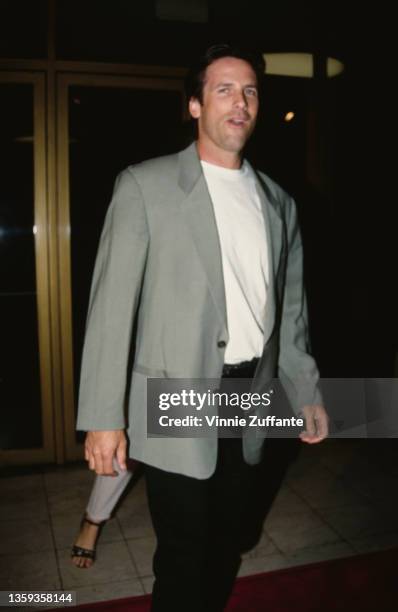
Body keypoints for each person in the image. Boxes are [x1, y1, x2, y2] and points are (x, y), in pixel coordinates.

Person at [76, 43, 328, 611]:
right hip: (177, 394)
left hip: (251, 396)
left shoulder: (279, 202)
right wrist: (102, 417)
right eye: (223, 89)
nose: (240, 102)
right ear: (194, 105)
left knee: (227, 543)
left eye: (250, 91)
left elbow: (290, 311)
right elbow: (111, 308)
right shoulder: (145, 185)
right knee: (184, 553)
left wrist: (307, 389)